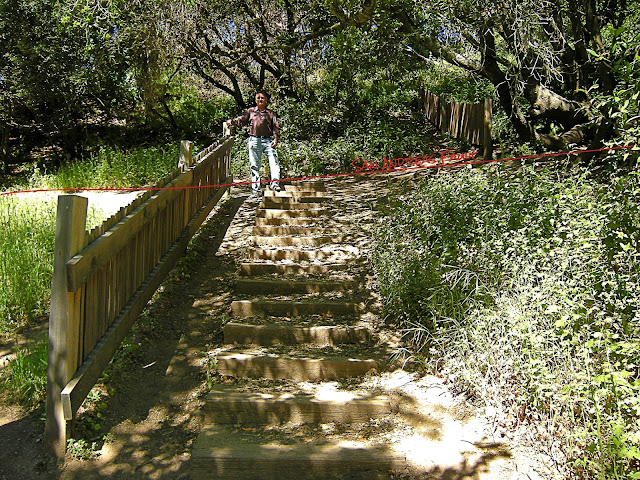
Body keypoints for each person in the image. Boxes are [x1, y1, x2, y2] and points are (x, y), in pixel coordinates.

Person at [226, 91, 281, 196]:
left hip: (268, 141)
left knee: (274, 162)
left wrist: (276, 138)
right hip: (254, 140)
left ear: (266, 100)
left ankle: (275, 184)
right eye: (258, 98)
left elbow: (276, 126)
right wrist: (232, 122)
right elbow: (241, 120)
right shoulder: (251, 111)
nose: (260, 100)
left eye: (262, 98)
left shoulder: (270, 113)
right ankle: (256, 189)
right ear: (256, 100)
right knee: (254, 165)